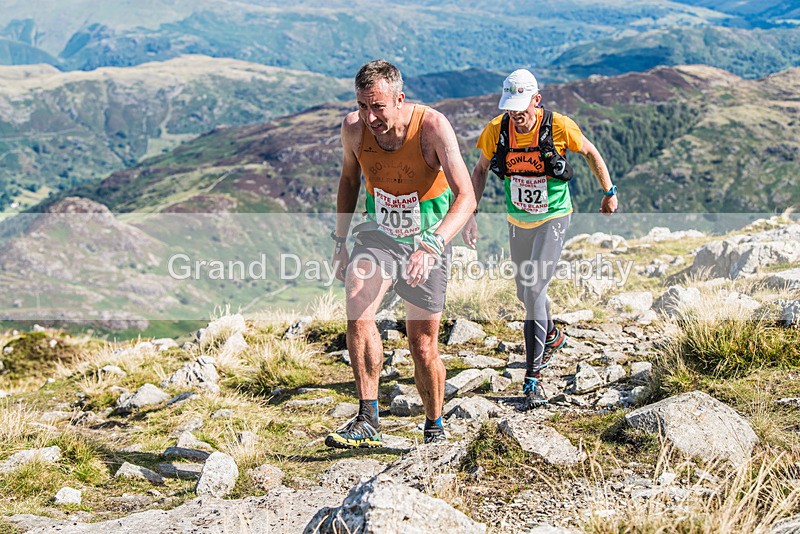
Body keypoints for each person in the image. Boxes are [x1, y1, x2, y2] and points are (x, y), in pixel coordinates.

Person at [326, 59, 476, 448]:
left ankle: (434, 425)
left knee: (422, 344)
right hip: (379, 235)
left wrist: (433, 244)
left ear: (399, 99)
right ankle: (368, 417)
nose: (370, 117)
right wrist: (340, 243)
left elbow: (466, 196)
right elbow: (349, 180)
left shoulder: (432, 127)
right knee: (357, 303)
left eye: (378, 106)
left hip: (428, 239)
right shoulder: (354, 129)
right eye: (362, 105)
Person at [462, 68, 616, 410]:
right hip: (518, 219)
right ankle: (551, 335)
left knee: (533, 289)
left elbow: (591, 152)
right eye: (510, 109)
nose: (516, 115)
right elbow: (480, 170)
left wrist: (609, 192)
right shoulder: (496, 130)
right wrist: (470, 213)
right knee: (525, 293)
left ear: (537, 100)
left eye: (521, 108)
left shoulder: (559, 126)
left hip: (554, 217)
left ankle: (533, 379)